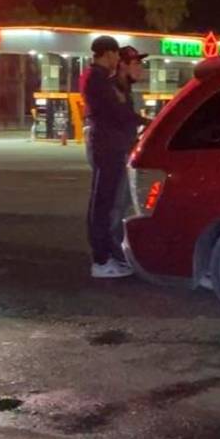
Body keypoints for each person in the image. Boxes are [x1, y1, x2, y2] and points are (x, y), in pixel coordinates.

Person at [82, 35, 142, 278]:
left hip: (110, 146)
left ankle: (106, 256)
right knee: (104, 204)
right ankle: (101, 260)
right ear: (108, 53)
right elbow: (116, 113)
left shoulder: (100, 78)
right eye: (116, 54)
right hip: (107, 147)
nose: (117, 59)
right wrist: (148, 121)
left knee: (106, 203)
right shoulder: (98, 79)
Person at [109, 45, 151, 255]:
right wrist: (149, 122)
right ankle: (113, 250)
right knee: (118, 200)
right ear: (122, 65)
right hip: (116, 151)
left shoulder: (124, 88)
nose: (140, 68)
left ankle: (116, 247)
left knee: (124, 200)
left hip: (124, 147)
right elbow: (122, 116)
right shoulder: (113, 88)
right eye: (136, 63)